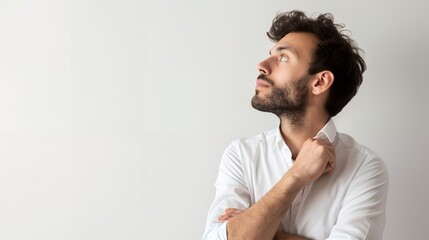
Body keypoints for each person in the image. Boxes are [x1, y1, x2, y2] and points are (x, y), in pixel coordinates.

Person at [201, 10, 389, 240]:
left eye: (283, 57)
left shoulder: (363, 168)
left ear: (319, 82)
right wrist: (297, 175)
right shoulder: (241, 155)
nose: (262, 65)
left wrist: (259, 230)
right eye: (270, 54)